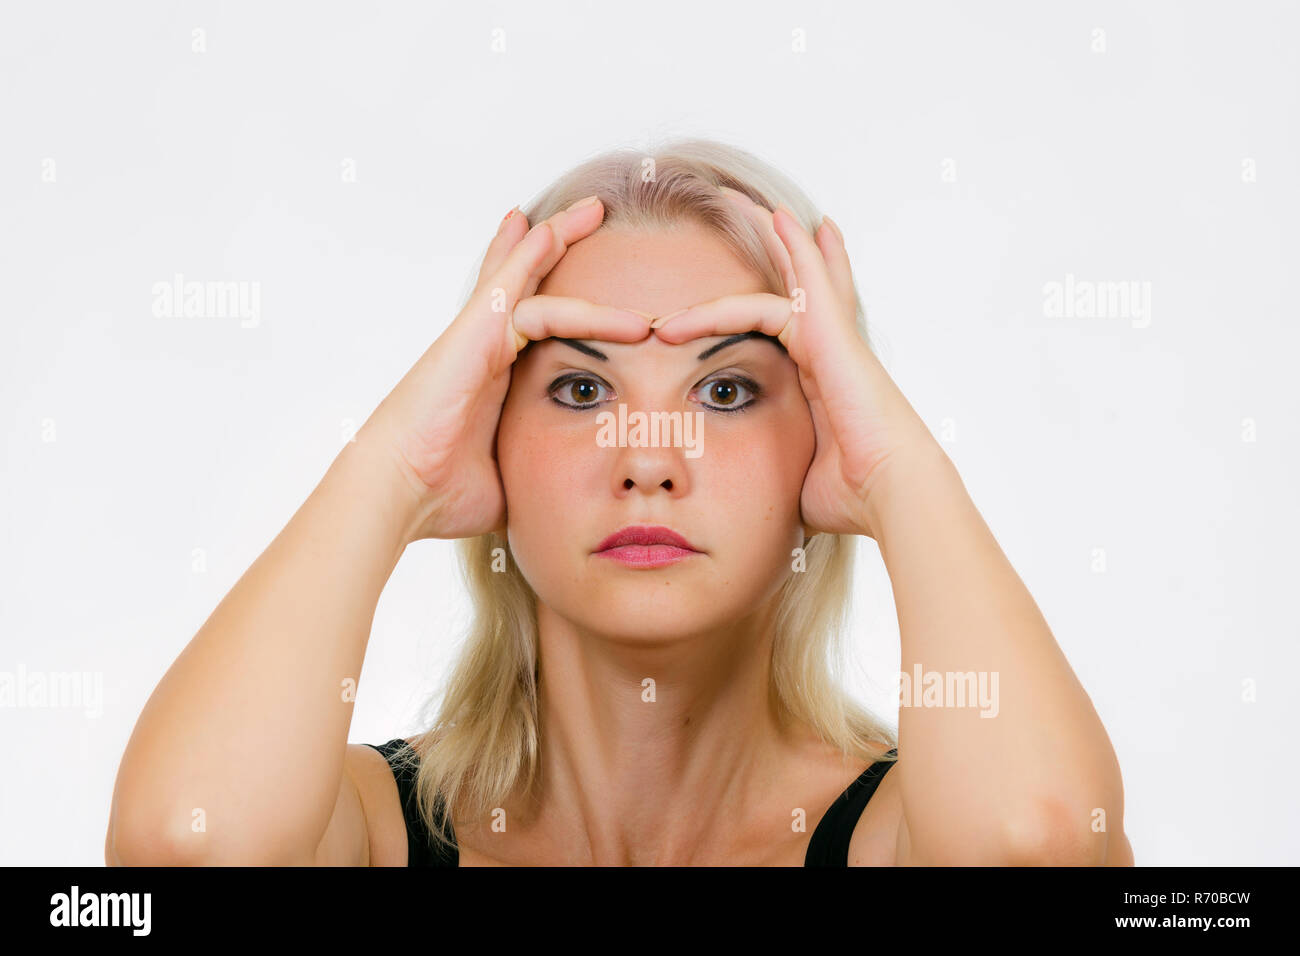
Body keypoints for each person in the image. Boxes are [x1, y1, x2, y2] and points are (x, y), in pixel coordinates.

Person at [104, 138, 1133, 866]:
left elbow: (1035, 848)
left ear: (822, 434)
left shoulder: (898, 830)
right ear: (489, 431)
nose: (650, 459)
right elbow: (185, 847)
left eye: (724, 390)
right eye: (581, 388)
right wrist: (391, 470)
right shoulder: (375, 828)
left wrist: (901, 471)